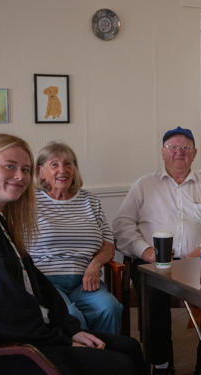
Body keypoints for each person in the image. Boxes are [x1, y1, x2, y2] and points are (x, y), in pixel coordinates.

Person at [0, 134, 145, 375]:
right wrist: (61, 339)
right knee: (120, 363)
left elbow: (36, 283)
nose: (20, 176)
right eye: (9, 166)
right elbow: (0, 313)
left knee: (129, 347)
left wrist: (70, 329)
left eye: (24, 169)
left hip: (26, 335)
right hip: (0, 350)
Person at [113, 126, 201, 375]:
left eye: (185, 148)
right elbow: (122, 225)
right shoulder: (144, 185)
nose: (179, 153)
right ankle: (161, 362)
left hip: (199, 261)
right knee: (153, 293)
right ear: (162, 152)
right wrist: (145, 250)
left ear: (195, 154)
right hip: (153, 263)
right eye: (173, 148)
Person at [27, 141, 122, 334]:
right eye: (54, 164)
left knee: (109, 308)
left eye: (68, 164)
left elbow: (108, 244)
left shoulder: (90, 201)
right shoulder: (30, 203)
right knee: (70, 316)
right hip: (46, 282)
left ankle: (109, 360)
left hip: (85, 280)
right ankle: (81, 361)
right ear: (41, 171)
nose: (63, 170)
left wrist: (95, 265)